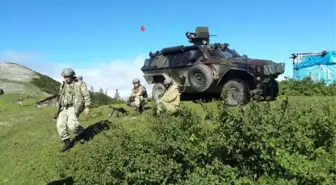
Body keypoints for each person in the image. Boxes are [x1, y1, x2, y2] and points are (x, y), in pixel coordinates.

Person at [56, 68, 91, 152]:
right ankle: (67, 142)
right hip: (64, 107)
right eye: (64, 77)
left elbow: (86, 95)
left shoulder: (80, 84)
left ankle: (82, 132)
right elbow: (61, 95)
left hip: (74, 107)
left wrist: (87, 107)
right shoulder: (63, 85)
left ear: (72, 76)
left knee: (72, 125)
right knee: (60, 125)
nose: (66, 78)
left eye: (67, 76)